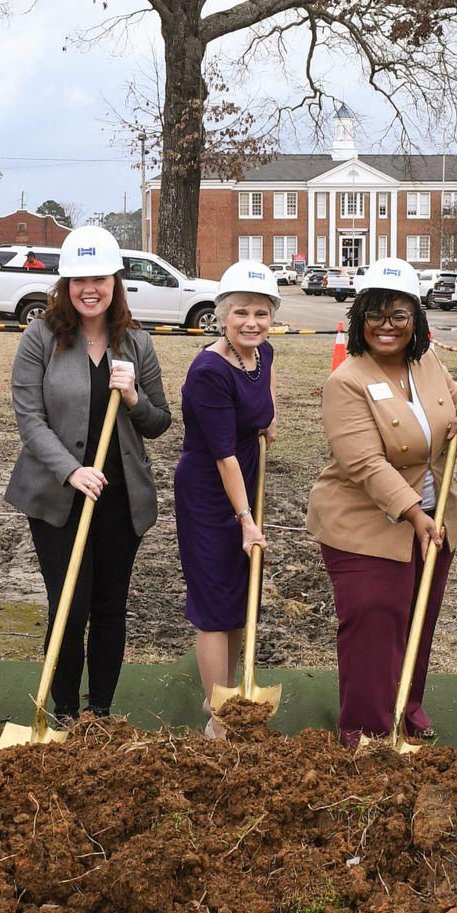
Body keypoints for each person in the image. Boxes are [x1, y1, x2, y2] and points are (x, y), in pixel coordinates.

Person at [307, 258, 457, 748]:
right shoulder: (347, 381)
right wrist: (412, 513)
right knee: (375, 622)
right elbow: (365, 464)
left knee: (417, 619)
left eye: (399, 315)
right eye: (376, 315)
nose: (387, 326)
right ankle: (365, 730)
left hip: (433, 519)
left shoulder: (424, 363)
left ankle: (406, 708)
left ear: (416, 322)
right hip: (364, 523)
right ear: (361, 319)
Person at [4, 226, 171, 724]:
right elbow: (28, 417)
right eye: (78, 280)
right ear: (65, 284)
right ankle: (65, 712)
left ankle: (99, 714)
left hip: (119, 497)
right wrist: (71, 471)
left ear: (115, 281)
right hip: (60, 497)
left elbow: (160, 421)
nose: (88, 289)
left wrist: (137, 398)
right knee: (69, 606)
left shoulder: (136, 342)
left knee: (109, 605)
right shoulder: (42, 337)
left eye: (98, 278)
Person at [175, 260, 279, 738]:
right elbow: (222, 457)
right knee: (216, 599)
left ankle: (227, 691)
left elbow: (263, 392)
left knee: (241, 595)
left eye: (261, 312)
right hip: (210, 490)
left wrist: (265, 420)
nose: (251, 322)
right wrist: (245, 519)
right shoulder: (207, 372)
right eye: (241, 313)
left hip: (244, 475)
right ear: (221, 315)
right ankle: (219, 720)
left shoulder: (264, 353)